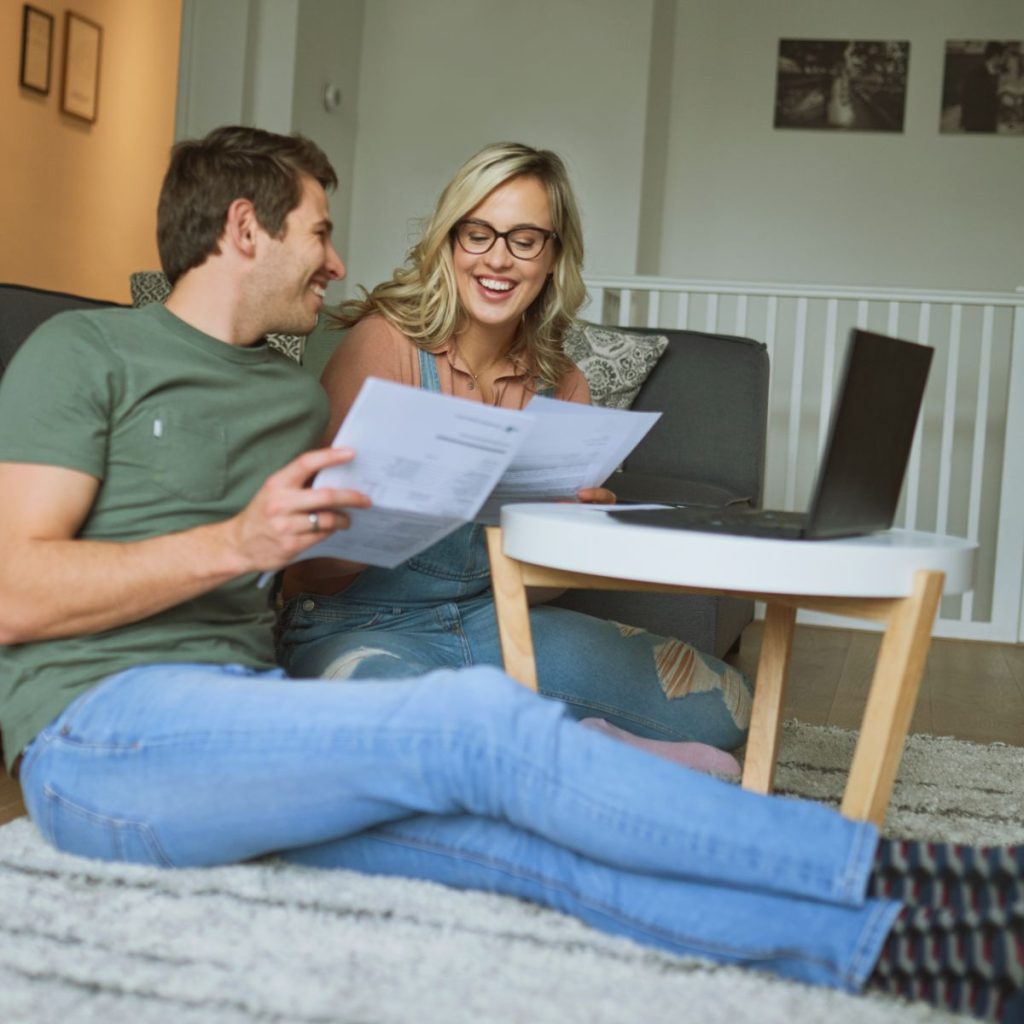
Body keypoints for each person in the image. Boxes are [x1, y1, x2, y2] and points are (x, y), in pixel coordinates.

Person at [0, 125, 1021, 1024]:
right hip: (100, 735)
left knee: (525, 847)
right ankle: (925, 875)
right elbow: (12, 594)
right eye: (319, 230)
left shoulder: (289, 396)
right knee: (479, 725)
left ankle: (946, 955)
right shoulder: (87, 349)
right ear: (242, 227)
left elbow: (344, 538)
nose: (337, 259)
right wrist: (241, 543)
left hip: (242, 721)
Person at [275, 141, 752, 773]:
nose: (498, 258)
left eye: (526, 239)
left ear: (553, 257)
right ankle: (571, 752)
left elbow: (538, 592)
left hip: (493, 620)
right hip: (354, 621)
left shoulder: (565, 382)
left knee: (726, 707)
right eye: (479, 234)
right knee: (396, 725)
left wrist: (574, 537)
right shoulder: (384, 345)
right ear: (450, 242)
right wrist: (398, 505)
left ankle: (530, 745)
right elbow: (308, 570)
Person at [961, 41, 1006, 133]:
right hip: (976, 125)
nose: (1005, 59)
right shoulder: (974, 74)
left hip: (990, 123)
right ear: (996, 56)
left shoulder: (996, 73)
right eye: (1004, 56)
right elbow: (968, 101)